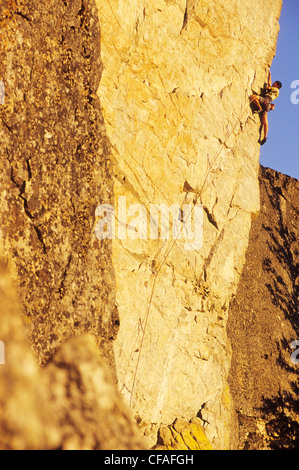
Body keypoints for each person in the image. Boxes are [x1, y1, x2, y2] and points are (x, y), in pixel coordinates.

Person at [250, 72, 282, 145]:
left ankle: (259, 107)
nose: (273, 83)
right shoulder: (275, 91)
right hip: (267, 105)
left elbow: (268, 87)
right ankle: (264, 137)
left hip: (265, 101)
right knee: (265, 122)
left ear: (277, 85)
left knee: (252, 97)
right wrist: (269, 75)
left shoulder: (276, 90)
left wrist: (268, 85)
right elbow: (269, 84)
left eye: (274, 83)